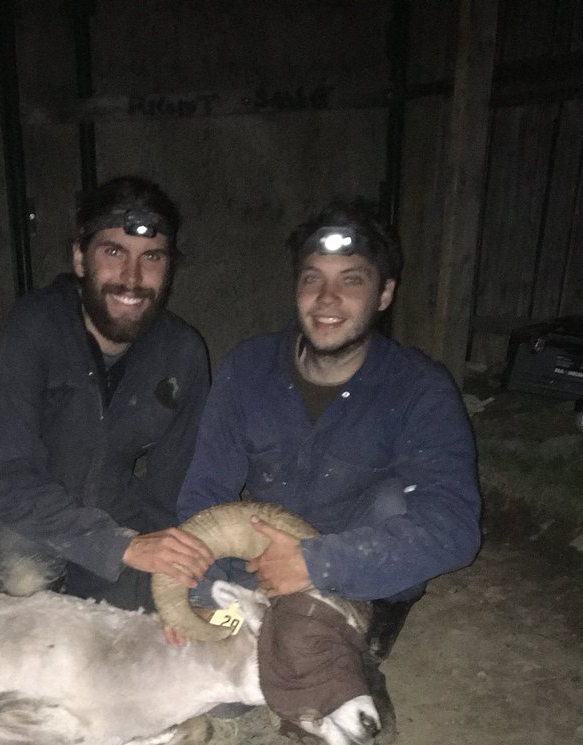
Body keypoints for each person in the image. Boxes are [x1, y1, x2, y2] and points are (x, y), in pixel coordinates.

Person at [177, 196, 482, 666]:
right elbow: (205, 492)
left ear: (384, 294)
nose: (326, 298)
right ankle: (266, 633)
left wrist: (317, 562)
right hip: (256, 568)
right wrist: (208, 586)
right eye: (312, 278)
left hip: (353, 571)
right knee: (224, 687)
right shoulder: (248, 368)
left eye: (351, 280)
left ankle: (368, 634)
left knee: (395, 504)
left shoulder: (420, 389)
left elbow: (454, 528)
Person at [0, 175, 215, 612]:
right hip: (32, 516)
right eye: (114, 252)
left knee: (208, 599)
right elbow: (7, 478)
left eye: (152, 257)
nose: (132, 278)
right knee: (20, 571)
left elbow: (176, 490)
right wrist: (119, 547)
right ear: (81, 258)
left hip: (120, 513)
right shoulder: (34, 327)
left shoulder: (183, 352)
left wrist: (175, 564)